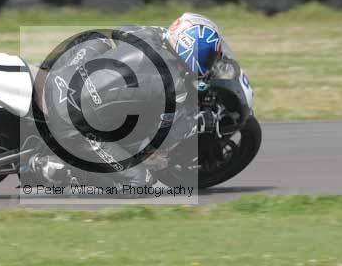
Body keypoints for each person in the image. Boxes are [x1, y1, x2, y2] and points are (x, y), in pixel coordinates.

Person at [26, 13, 227, 195]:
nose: (210, 64)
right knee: (142, 182)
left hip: (62, 79)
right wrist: (198, 123)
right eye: (209, 57)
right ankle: (58, 169)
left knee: (98, 40)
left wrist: (158, 34)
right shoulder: (175, 87)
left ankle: (43, 71)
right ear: (193, 52)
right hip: (75, 124)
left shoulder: (146, 36)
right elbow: (163, 138)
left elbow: (120, 30)